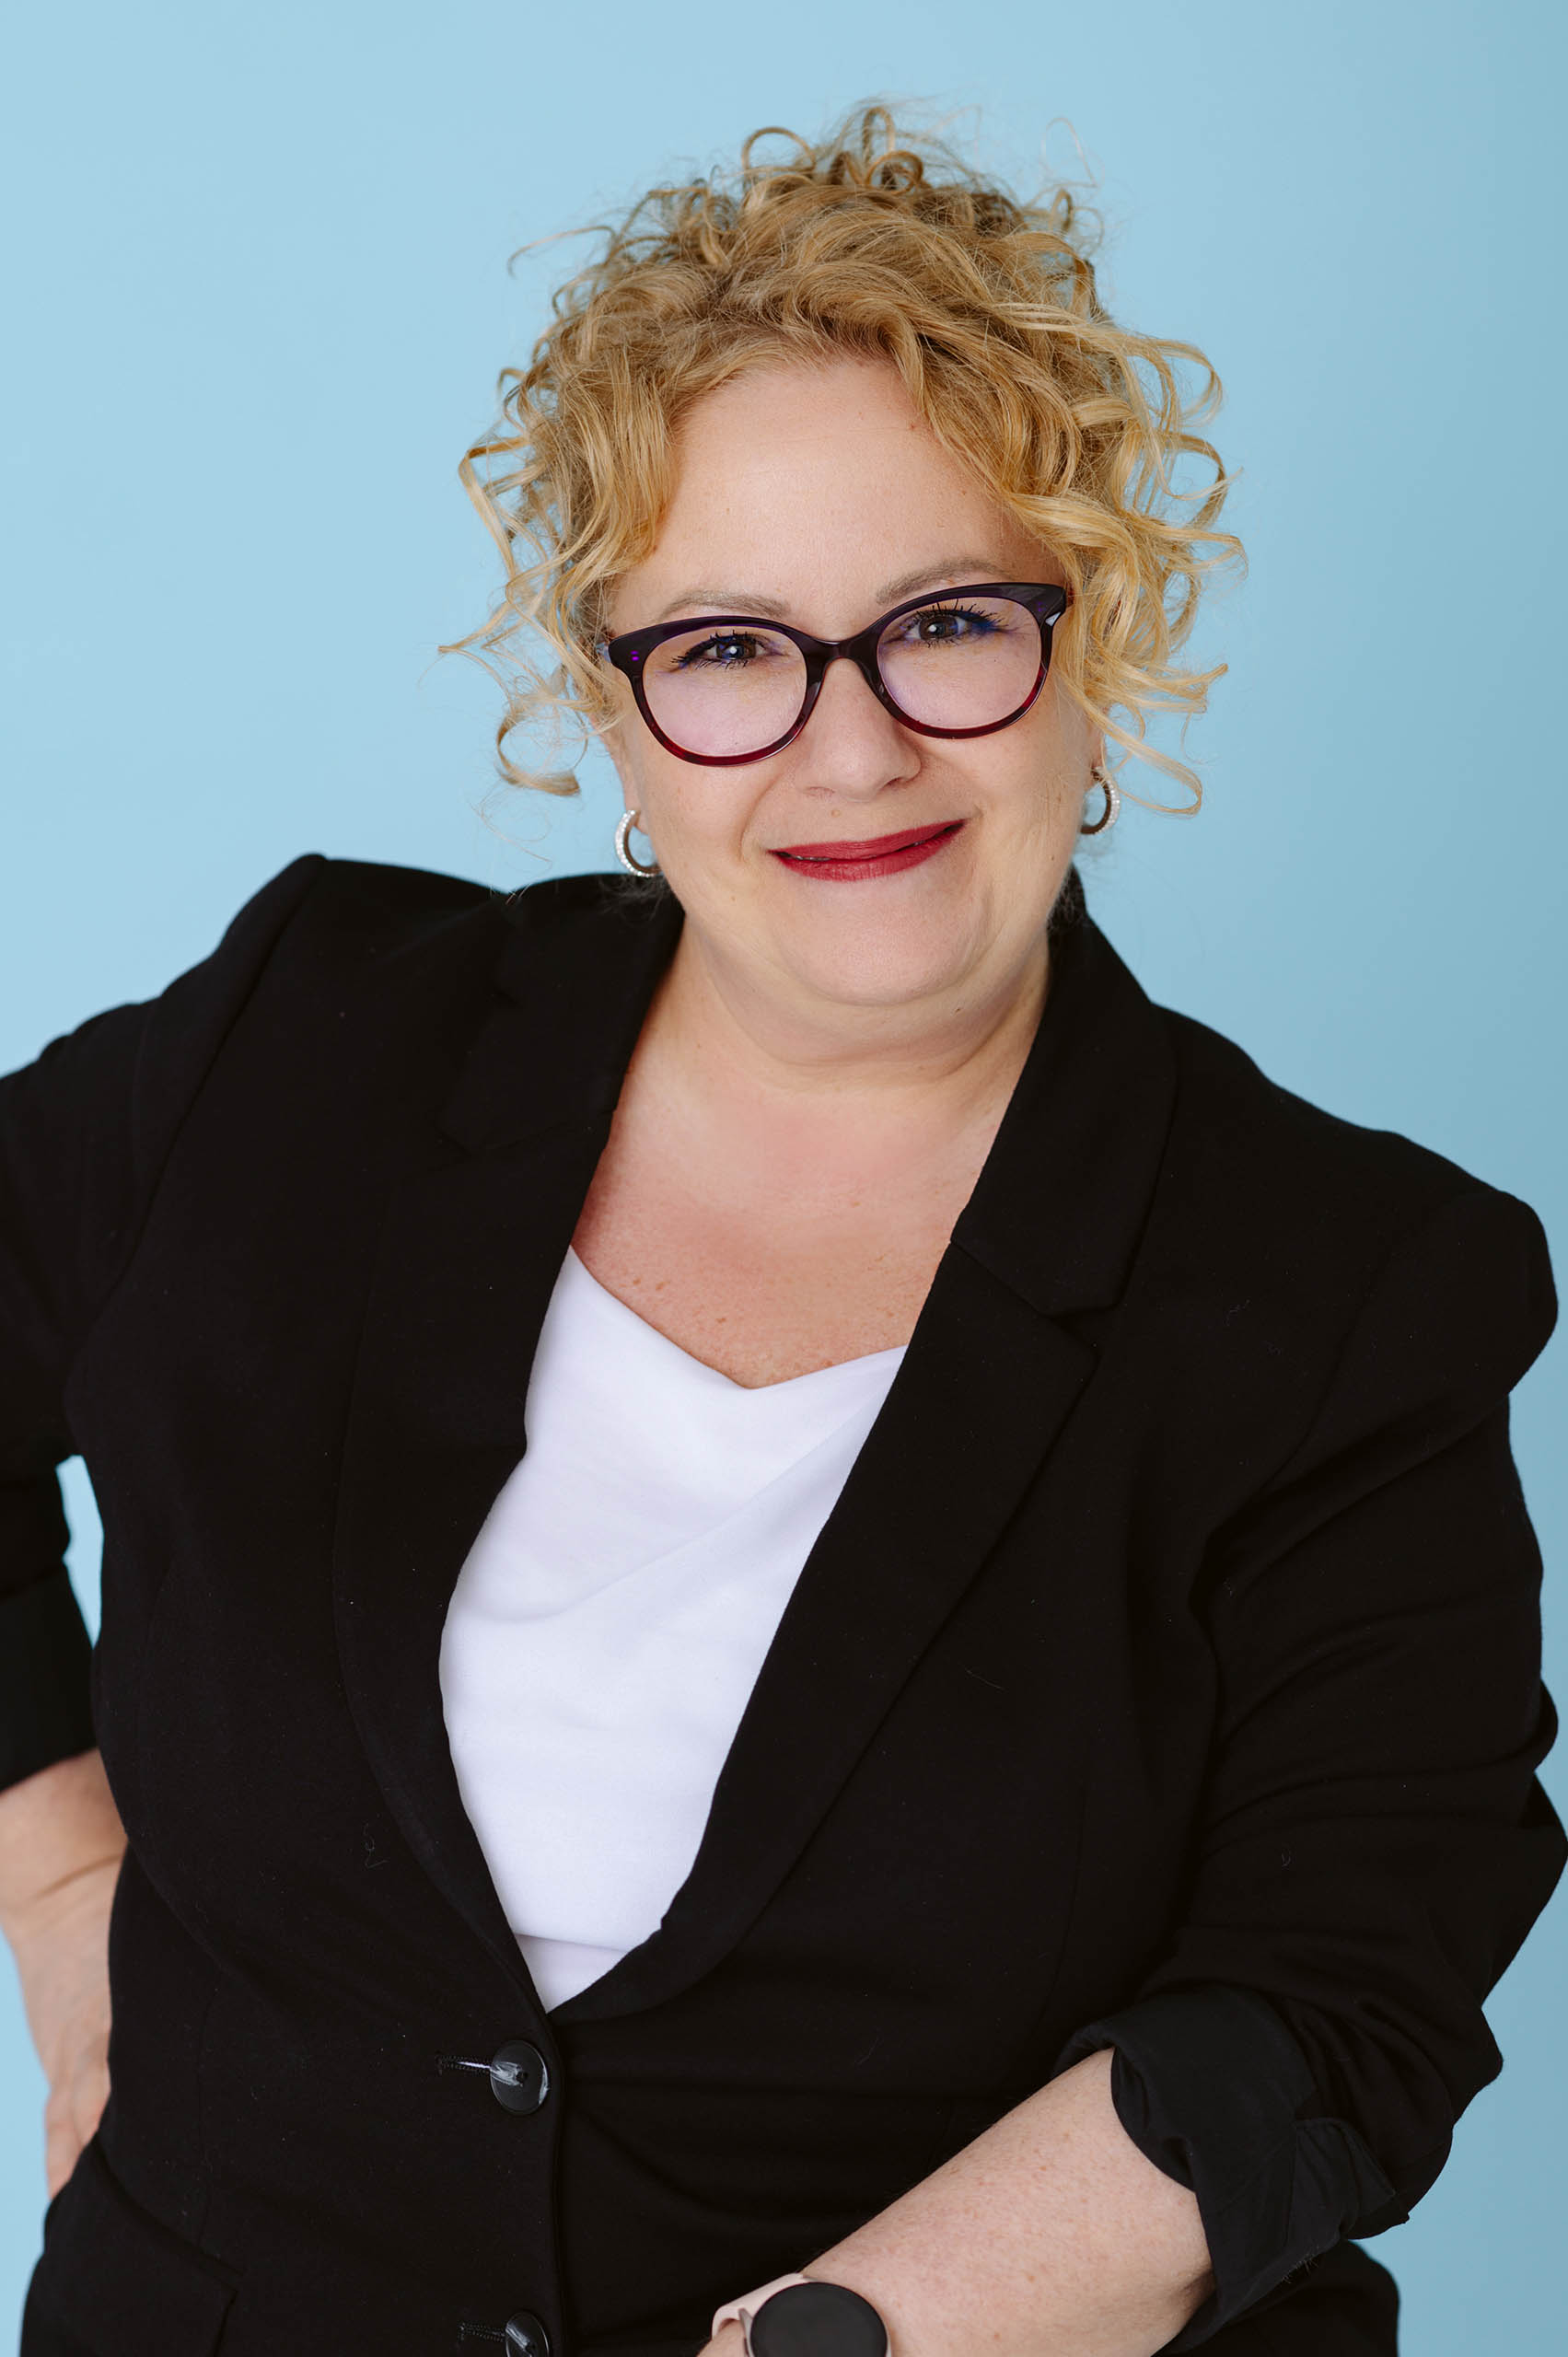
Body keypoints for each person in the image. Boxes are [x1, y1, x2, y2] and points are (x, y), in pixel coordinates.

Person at [0, 106, 1560, 2357]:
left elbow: (1337, 1996)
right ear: (610, 702)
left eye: (947, 624)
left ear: (1100, 634)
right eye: (731, 647)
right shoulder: (311, 1037)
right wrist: (63, 1884)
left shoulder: (1350, 1289)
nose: (851, 752)